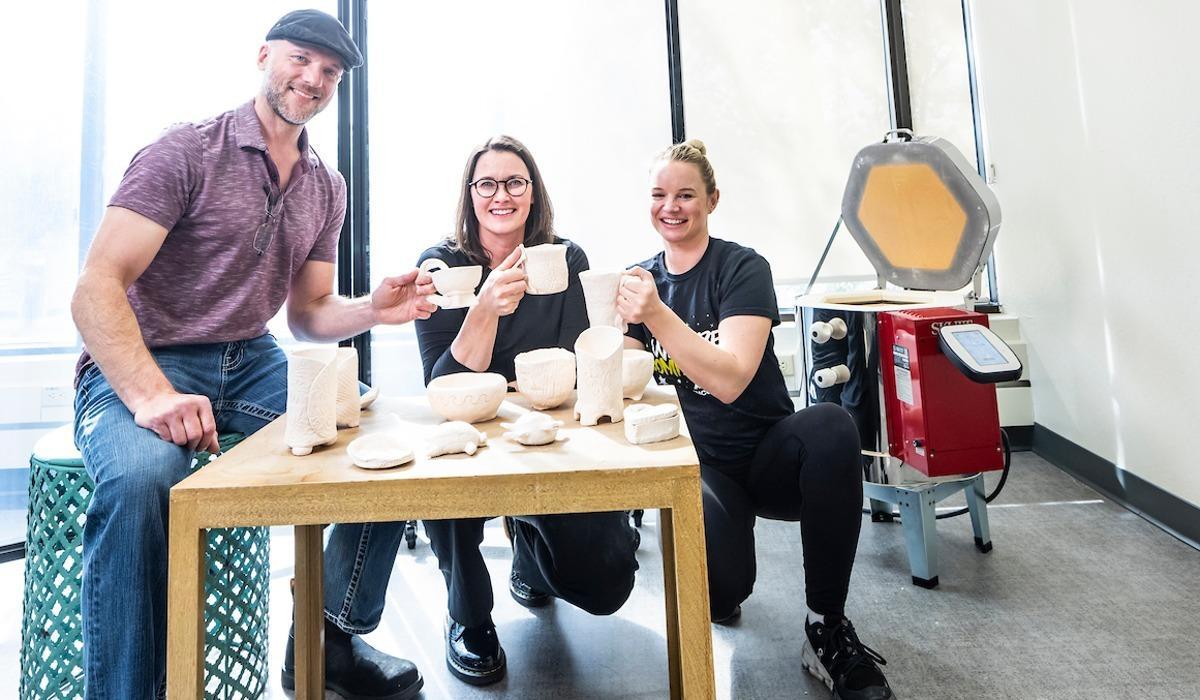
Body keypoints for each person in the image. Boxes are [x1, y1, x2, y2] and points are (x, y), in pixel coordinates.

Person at [70, 11, 432, 699]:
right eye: (302, 60)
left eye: (330, 73)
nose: (314, 80)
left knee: (389, 446)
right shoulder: (184, 153)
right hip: (148, 361)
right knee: (145, 481)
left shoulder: (326, 185)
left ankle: (331, 641)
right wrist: (151, 395)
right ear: (264, 55)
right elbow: (94, 290)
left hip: (252, 356)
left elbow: (309, 313)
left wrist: (374, 311)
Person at [322, 135, 639, 687]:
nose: (502, 195)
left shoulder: (566, 259)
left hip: (549, 433)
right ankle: (468, 615)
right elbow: (444, 385)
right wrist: (486, 307)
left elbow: (570, 362)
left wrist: (507, 378)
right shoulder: (443, 266)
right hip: (467, 431)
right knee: (445, 468)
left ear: (533, 193)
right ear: (470, 195)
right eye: (487, 183)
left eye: (515, 182)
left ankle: (530, 548)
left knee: (608, 584)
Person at [617, 140, 895, 700]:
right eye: (659, 195)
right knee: (723, 595)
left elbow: (730, 379)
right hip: (701, 467)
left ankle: (826, 628)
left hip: (770, 455)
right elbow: (623, 379)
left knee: (832, 425)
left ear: (712, 200)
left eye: (686, 194)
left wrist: (654, 315)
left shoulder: (741, 267)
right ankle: (726, 573)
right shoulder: (638, 280)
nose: (671, 206)